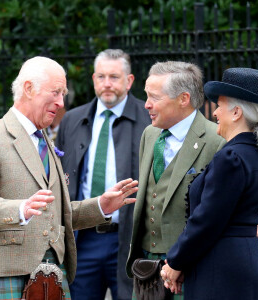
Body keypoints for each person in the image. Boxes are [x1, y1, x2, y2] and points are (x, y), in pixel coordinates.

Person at [0, 56, 138, 300]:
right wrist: (20, 209)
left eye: (63, 94)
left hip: (53, 273)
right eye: (55, 92)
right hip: (8, 274)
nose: (61, 102)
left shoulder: (45, 139)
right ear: (28, 89)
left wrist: (100, 206)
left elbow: (57, 213)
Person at [160, 67, 258, 300]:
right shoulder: (255, 155)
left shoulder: (231, 158)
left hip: (222, 272)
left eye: (220, 105)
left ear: (236, 112)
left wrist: (175, 262)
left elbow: (206, 220)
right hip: (242, 264)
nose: (215, 113)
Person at [56, 49, 151, 300]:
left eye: (114, 77)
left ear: (129, 81)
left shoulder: (149, 119)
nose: (106, 84)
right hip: (83, 238)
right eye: (101, 77)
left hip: (130, 239)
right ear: (93, 79)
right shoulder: (72, 120)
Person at [126, 61, 224, 299]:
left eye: (155, 97)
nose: (146, 104)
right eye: (146, 96)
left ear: (183, 99)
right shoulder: (149, 134)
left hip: (190, 271)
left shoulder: (216, 140)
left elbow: (215, 217)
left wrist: (182, 260)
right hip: (146, 269)